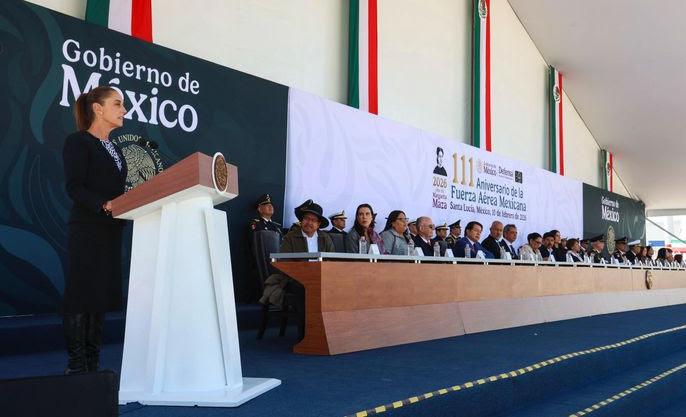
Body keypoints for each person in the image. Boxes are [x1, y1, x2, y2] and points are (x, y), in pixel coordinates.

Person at [62, 86, 128, 374]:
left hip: (110, 230)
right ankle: (77, 366)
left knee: (99, 294)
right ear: (98, 109)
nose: (124, 110)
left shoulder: (117, 150)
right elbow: (74, 187)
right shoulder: (78, 142)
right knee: (82, 293)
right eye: (117, 104)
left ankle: (92, 363)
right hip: (87, 228)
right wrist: (103, 204)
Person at [259, 201, 334, 341]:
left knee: (336, 288)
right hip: (295, 279)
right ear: (301, 220)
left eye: (313, 220)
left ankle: (328, 333)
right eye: (306, 218)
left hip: (321, 279)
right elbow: (283, 262)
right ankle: (305, 337)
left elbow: (331, 261)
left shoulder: (325, 238)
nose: (309, 223)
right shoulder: (290, 237)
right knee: (305, 289)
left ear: (318, 224)